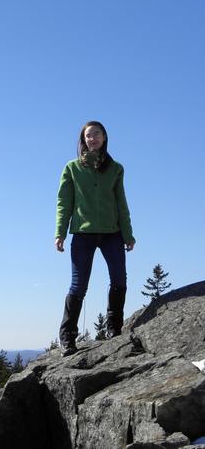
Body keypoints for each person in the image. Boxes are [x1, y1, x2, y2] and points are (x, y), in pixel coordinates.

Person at [55, 121, 135, 357]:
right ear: (83, 140)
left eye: (97, 134)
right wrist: (60, 232)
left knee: (119, 279)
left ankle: (114, 328)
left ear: (104, 137)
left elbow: (121, 203)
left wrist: (128, 234)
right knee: (79, 286)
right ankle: (68, 337)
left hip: (112, 233)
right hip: (83, 234)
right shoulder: (72, 168)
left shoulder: (116, 168)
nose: (93, 138)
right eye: (89, 135)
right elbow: (64, 204)